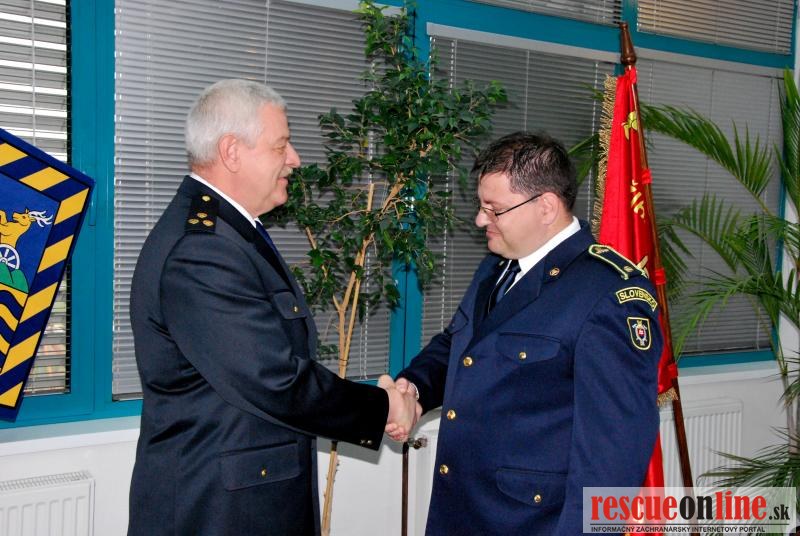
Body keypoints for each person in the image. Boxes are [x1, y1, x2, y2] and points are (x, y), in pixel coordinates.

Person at [128, 79, 417, 536]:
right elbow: (272, 378)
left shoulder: (230, 232)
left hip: (242, 499)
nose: (295, 159)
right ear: (232, 152)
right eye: (281, 145)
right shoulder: (202, 250)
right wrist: (382, 407)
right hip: (219, 511)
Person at [390, 131, 662, 535]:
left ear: (546, 207)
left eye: (494, 209)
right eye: (481, 206)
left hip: (532, 523)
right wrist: (413, 389)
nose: (480, 219)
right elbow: (460, 346)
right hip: (464, 510)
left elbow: (612, 458)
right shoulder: (498, 266)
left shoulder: (607, 294)